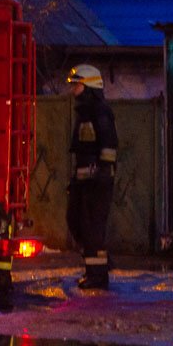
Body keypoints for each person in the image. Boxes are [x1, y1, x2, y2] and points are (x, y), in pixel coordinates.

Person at [65, 64, 118, 290]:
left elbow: (109, 145)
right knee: (76, 221)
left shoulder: (100, 111)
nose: (73, 89)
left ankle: (97, 276)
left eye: (76, 85)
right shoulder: (85, 112)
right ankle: (98, 267)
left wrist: (103, 172)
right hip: (84, 181)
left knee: (92, 229)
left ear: (88, 86)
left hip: (98, 182)